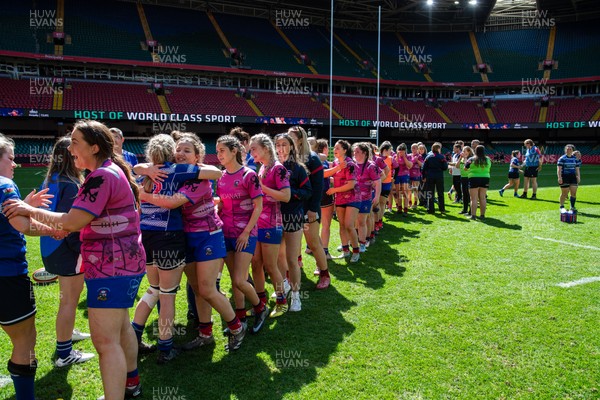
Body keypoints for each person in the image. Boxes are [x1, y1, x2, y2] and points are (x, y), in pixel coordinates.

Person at [4, 120, 146, 400]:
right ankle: (131, 384)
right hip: (122, 264)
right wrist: (58, 227)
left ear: (94, 147)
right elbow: (81, 222)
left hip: (112, 267)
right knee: (120, 328)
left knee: (106, 342)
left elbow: (73, 220)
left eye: (76, 142)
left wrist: (26, 210)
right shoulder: (107, 171)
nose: (70, 148)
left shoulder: (101, 176)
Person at [137, 134, 252, 352]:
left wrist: (144, 195)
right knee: (198, 288)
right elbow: (141, 166)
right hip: (185, 237)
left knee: (208, 289)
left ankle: (237, 327)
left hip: (208, 236)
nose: (180, 153)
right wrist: (145, 169)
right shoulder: (177, 175)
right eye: (178, 149)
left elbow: (172, 202)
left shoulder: (198, 179)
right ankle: (204, 333)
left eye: (187, 150)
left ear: (198, 156)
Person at [1, 133, 64, 400]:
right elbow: (22, 226)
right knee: (25, 341)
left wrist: (26, 205)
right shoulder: (4, 184)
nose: (14, 165)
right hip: (7, 275)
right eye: (10, 158)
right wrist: (58, 228)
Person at [39, 137, 95, 368]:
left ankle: (68, 333)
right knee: (70, 301)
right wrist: (84, 251)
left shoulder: (52, 179)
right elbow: (69, 225)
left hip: (50, 248)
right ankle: (64, 353)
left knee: (67, 299)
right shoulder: (70, 184)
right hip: (65, 250)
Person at [249, 133, 291, 318]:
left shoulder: (278, 168)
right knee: (255, 263)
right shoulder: (263, 167)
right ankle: (260, 302)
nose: (251, 153)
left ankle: (282, 302)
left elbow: (286, 195)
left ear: (265, 148)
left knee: (271, 265)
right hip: (257, 223)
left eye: (254, 149)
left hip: (272, 223)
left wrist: (262, 188)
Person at [288, 126, 330, 289]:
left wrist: (313, 209)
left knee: (313, 242)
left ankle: (325, 273)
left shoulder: (312, 159)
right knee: (293, 242)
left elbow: (318, 187)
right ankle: (296, 267)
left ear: (300, 139)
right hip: (292, 209)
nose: (288, 140)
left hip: (308, 209)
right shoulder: (288, 159)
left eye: (291, 137)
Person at [275, 133, 312, 311]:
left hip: (293, 217)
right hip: (273, 217)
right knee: (277, 257)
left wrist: (289, 193)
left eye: (284, 144)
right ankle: (285, 285)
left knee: (291, 259)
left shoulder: (298, 168)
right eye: (278, 144)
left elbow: (308, 192)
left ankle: (296, 296)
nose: (281, 148)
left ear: (291, 147)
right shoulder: (269, 167)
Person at [325, 140, 360, 262]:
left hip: (353, 197)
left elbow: (351, 184)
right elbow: (334, 178)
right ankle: (345, 251)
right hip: (340, 198)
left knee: (349, 225)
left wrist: (334, 190)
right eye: (334, 147)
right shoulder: (335, 163)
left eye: (338, 148)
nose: (334, 150)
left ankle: (356, 251)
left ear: (345, 150)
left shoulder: (350, 164)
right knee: (342, 225)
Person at [353, 142, 381, 253]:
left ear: (364, 153)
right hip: (352, 198)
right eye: (354, 151)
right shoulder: (352, 164)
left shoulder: (371, 166)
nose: (354, 154)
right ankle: (351, 243)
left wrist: (377, 196)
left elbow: (378, 182)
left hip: (365, 198)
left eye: (357, 152)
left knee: (361, 221)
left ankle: (362, 244)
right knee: (352, 222)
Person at [465, 145, 492, 220]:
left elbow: (465, 167)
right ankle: (482, 215)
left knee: (473, 198)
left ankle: (473, 215)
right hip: (485, 178)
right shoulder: (488, 159)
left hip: (473, 178)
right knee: (482, 198)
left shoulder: (472, 159)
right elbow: (489, 167)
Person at [422, 142, 448, 214]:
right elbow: (445, 167)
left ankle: (430, 209)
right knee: (440, 193)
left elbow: (423, 168)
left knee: (430, 193)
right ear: (439, 149)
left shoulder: (428, 157)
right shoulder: (442, 157)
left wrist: (423, 177)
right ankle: (442, 209)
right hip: (439, 176)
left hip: (430, 177)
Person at [557, 144, 581, 211]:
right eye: (567, 149)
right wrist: (559, 177)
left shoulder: (575, 159)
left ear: (572, 150)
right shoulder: (562, 158)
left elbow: (577, 168)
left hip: (573, 177)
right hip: (564, 176)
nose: (569, 150)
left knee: (573, 193)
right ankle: (561, 206)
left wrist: (578, 176)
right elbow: (559, 169)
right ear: (565, 150)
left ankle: (572, 206)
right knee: (564, 193)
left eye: (570, 149)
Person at [394, 143, 412, 216]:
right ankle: (399, 208)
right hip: (397, 176)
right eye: (399, 151)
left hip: (405, 175)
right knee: (398, 193)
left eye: (402, 151)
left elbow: (410, 166)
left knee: (404, 192)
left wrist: (404, 157)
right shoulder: (395, 156)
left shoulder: (408, 156)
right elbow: (394, 165)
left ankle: (405, 209)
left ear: (405, 151)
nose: (401, 152)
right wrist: (398, 157)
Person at [456, 146, 474, 215]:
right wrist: (460, 158)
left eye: (464, 151)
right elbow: (457, 166)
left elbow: (467, 166)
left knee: (469, 195)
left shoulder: (470, 159)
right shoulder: (462, 158)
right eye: (462, 151)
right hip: (463, 178)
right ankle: (464, 209)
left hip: (469, 178)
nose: (463, 152)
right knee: (464, 195)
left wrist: (465, 158)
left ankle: (470, 211)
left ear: (469, 152)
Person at [407, 143, 423, 209]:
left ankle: (415, 203)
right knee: (409, 189)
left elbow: (421, 165)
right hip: (409, 174)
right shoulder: (409, 155)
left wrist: (417, 160)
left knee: (415, 189)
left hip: (416, 175)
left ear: (417, 149)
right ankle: (409, 202)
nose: (413, 149)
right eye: (412, 148)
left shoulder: (419, 156)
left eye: (414, 148)